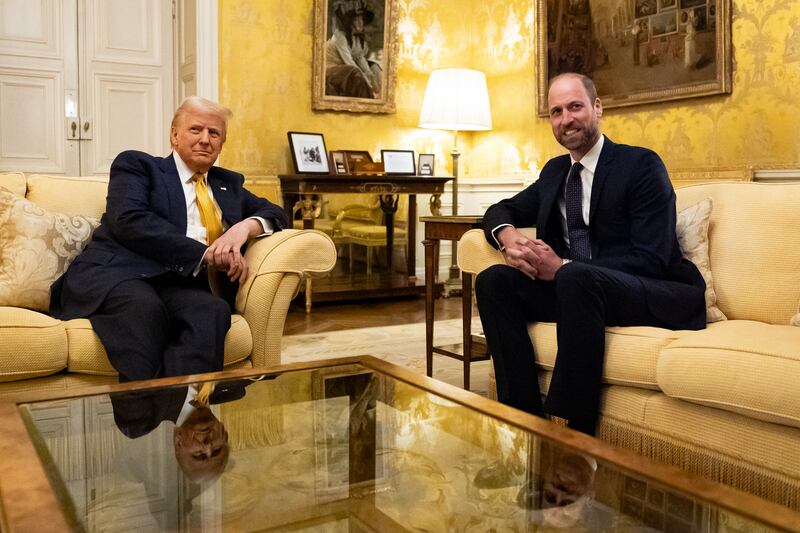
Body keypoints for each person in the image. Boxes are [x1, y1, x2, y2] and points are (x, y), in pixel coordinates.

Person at [475, 73, 706, 436]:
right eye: (556, 112)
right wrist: (507, 237)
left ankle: (567, 431)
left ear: (597, 108)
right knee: (494, 281)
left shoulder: (641, 165)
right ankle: (520, 421)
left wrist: (562, 266)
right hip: (579, 293)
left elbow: (653, 258)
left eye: (575, 106)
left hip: (650, 289)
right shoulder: (555, 172)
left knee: (573, 276)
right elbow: (499, 209)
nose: (566, 119)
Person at [49, 96, 288, 382]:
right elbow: (129, 220)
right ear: (174, 135)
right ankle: (143, 419)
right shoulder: (139, 166)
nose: (205, 140)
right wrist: (206, 254)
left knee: (212, 311)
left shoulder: (228, 184)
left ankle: (189, 413)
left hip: (180, 284)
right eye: (195, 130)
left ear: (222, 143)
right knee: (143, 309)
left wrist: (243, 228)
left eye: (214, 134)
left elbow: (276, 213)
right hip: (121, 275)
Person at [325, 0, 381, 99]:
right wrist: (368, 83)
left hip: (344, 67)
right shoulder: (340, 37)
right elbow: (350, 63)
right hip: (330, 69)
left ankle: (378, 96)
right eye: (356, 20)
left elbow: (360, 58)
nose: (360, 23)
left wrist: (370, 76)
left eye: (362, 19)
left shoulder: (356, 38)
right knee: (354, 71)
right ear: (349, 23)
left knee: (374, 67)